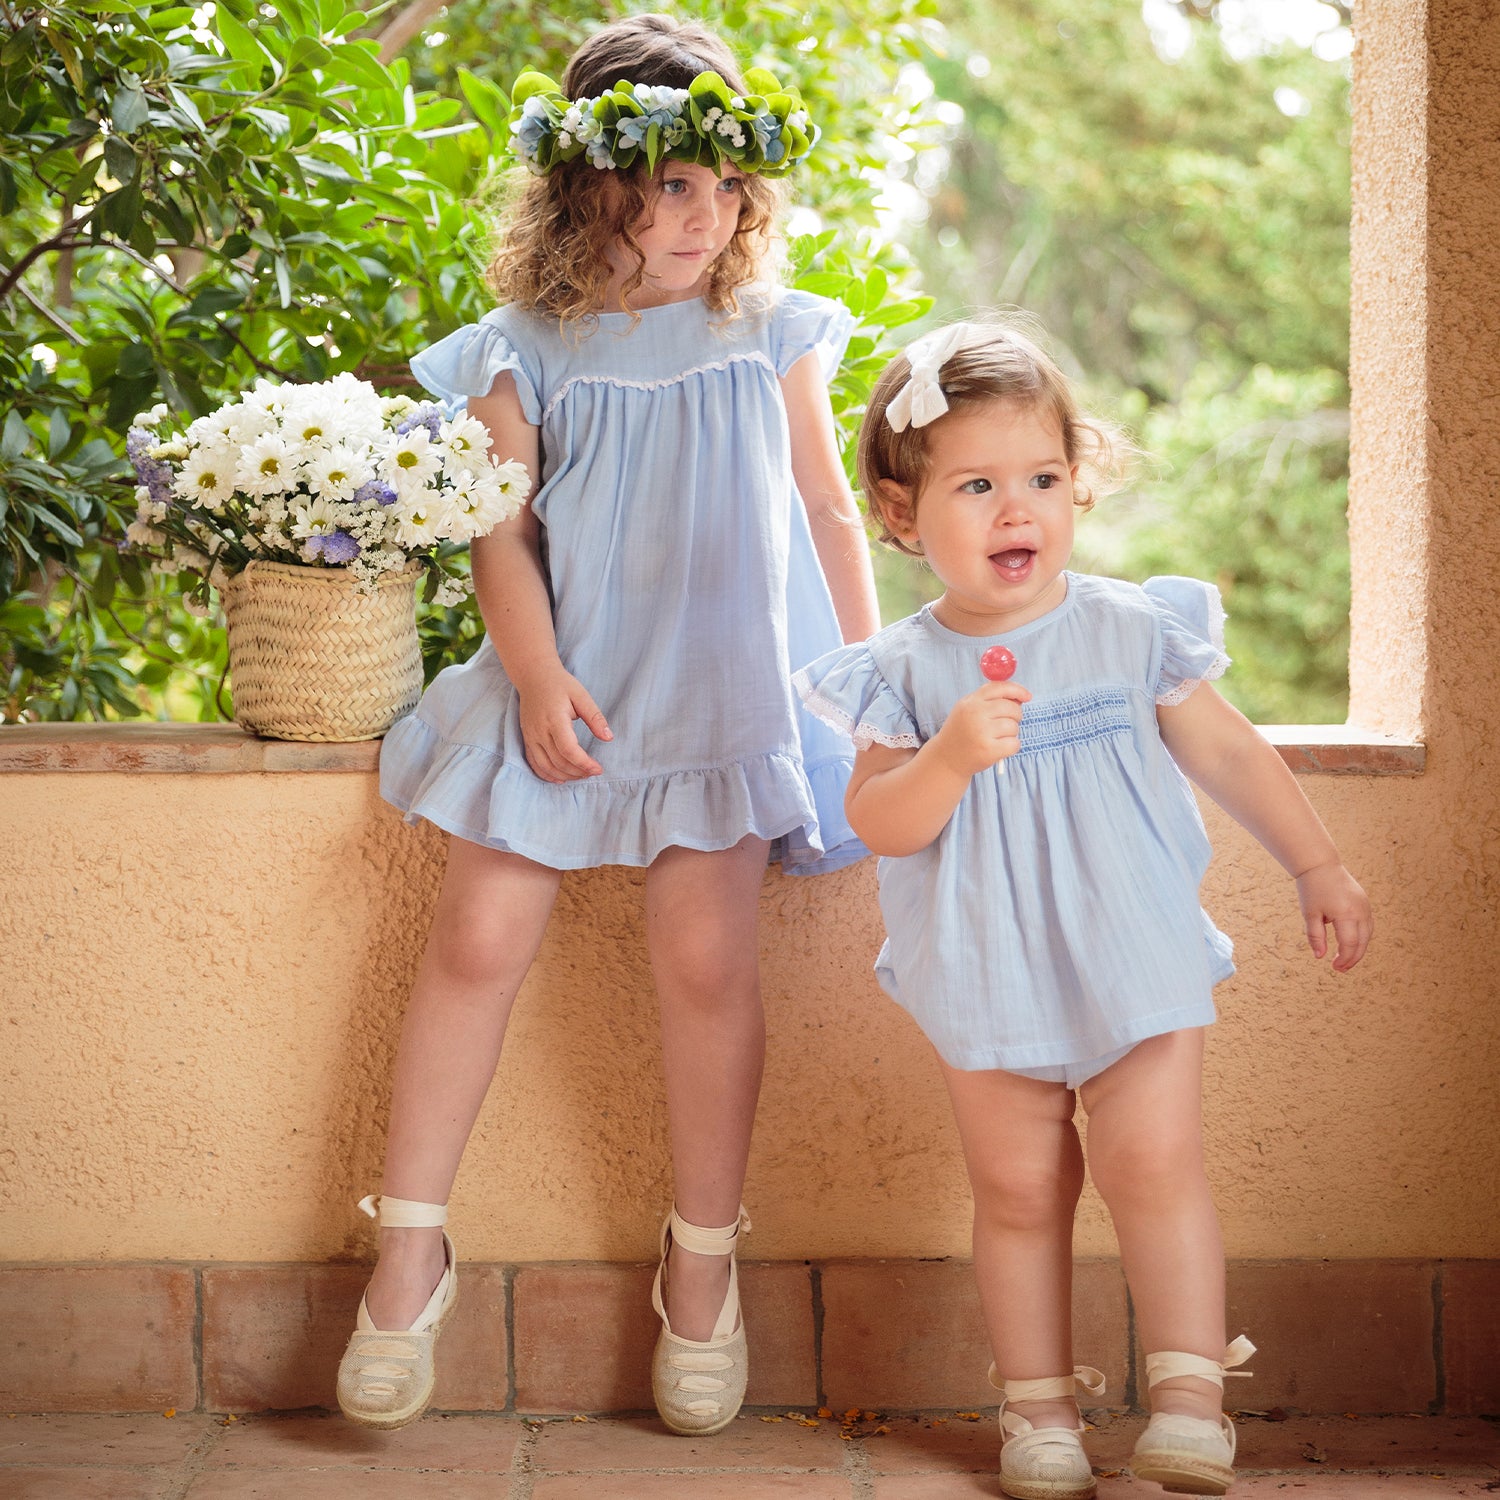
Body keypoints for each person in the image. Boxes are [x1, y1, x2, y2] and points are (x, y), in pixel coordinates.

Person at [336, 13, 879, 1437]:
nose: (703, 214)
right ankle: (408, 1251)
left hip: (719, 699)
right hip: (567, 691)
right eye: (668, 184)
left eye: (723, 183)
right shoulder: (528, 347)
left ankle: (702, 1270)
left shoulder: (768, 330)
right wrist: (529, 675)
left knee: (706, 969)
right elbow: (496, 529)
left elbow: (828, 509)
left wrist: (880, 688)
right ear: (589, 188)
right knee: (474, 939)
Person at [794, 320, 1372, 1499]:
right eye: (978, 485)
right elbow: (885, 823)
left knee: (1154, 1162)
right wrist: (949, 758)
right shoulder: (903, 673)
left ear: (1079, 482)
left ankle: (1192, 1402)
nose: (1019, 510)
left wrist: (1317, 864)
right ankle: (1039, 1415)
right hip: (987, 963)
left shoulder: (1127, 630)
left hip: (1129, 946)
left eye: (1043, 480)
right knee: (1017, 1188)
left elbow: (1232, 755)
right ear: (903, 516)